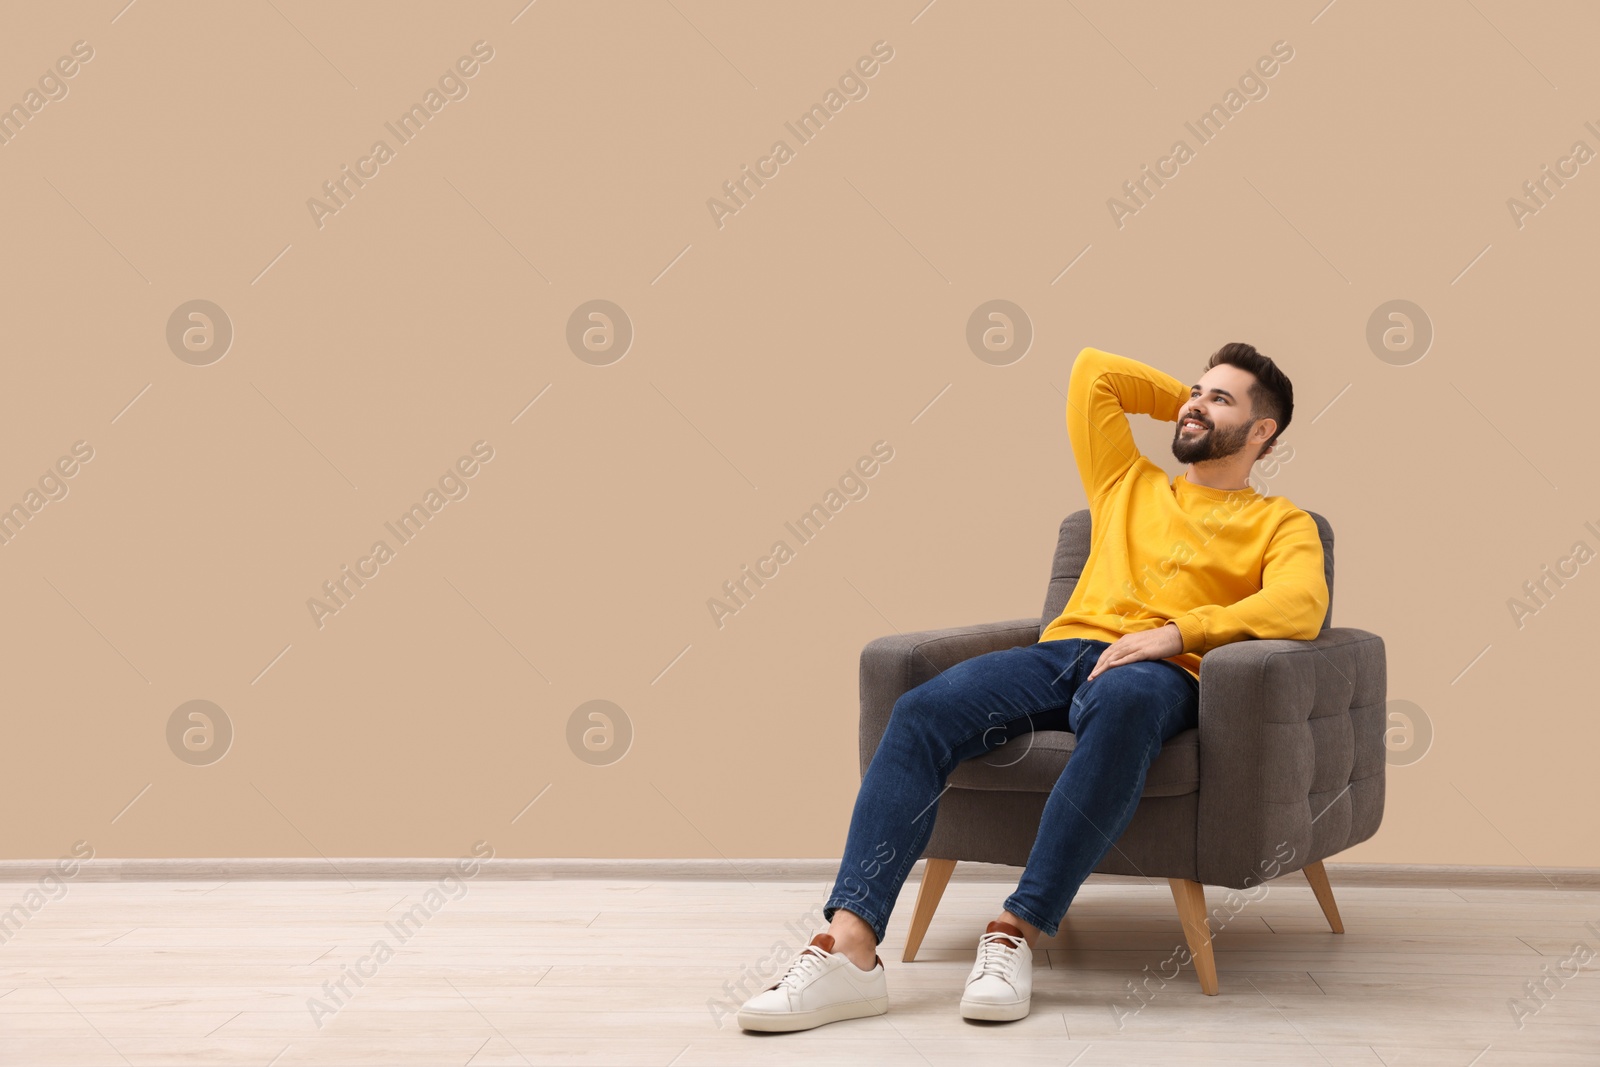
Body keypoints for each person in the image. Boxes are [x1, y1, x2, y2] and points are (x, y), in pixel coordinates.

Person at [736, 342, 1329, 1031]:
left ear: (1265, 433)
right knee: (920, 711)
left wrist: (1178, 633)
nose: (1195, 402)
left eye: (1221, 399)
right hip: (1065, 649)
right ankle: (851, 950)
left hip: (1160, 673)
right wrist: (1194, 408)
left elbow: (1299, 606)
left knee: (1126, 699)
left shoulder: (1282, 522)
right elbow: (1093, 374)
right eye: (1196, 391)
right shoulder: (1126, 483)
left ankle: (1016, 930)